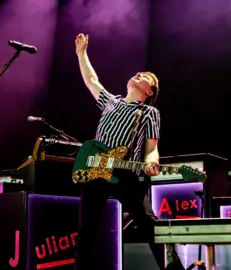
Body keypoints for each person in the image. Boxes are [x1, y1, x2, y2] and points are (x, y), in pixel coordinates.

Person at [74, 33, 164, 270]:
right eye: (139, 73)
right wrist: (81, 53)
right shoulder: (111, 101)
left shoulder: (148, 112)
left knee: (148, 223)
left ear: (149, 92)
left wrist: (151, 162)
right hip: (96, 170)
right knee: (87, 231)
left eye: (145, 77)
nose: (139, 74)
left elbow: (151, 149)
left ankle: (173, 267)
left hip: (125, 172)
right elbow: (91, 80)